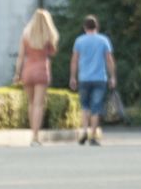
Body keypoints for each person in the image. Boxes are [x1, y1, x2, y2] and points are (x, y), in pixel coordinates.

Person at [13, 9, 59, 147]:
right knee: (39, 104)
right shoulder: (47, 36)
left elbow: (21, 56)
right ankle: (35, 137)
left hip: (28, 70)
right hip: (41, 70)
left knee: (31, 104)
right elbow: (53, 52)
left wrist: (17, 73)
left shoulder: (25, 35)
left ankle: (32, 134)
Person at [69, 14, 116, 146]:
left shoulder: (79, 41)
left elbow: (74, 60)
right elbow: (109, 60)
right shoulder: (103, 40)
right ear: (97, 27)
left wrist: (73, 77)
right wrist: (112, 77)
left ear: (84, 27)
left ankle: (84, 131)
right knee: (96, 107)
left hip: (84, 78)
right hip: (100, 78)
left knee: (85, 106)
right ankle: (93, 135)